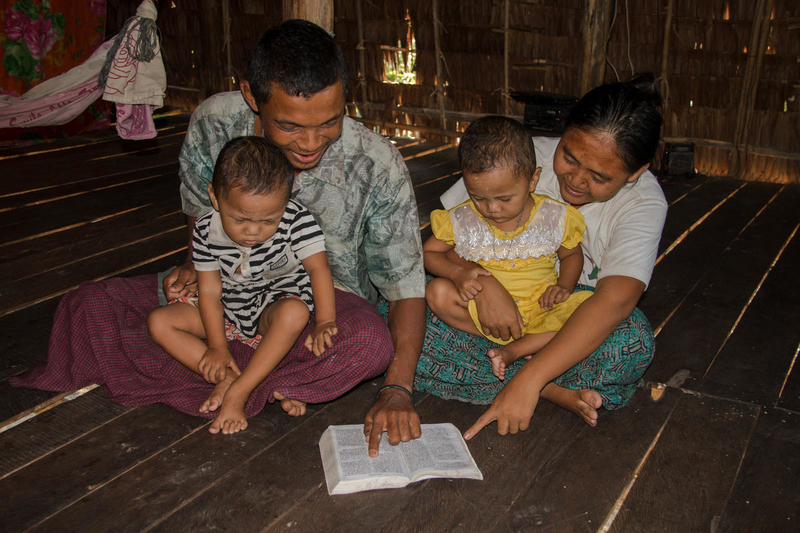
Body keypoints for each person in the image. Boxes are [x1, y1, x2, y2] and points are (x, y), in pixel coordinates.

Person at [11, 20, 426, 434]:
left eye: (328, 123)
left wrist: (397, 390)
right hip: (224, 293)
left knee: (369, 344)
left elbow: (405, 289)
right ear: (251, 96)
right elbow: (199, 217)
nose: (311, 142)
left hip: (315, 313)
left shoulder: (377, 164)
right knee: (87, 307)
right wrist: (193, 263)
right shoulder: (214, 122)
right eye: (290, 125)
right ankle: (253, 377)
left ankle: (234, 380)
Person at [383, 73, 666, 445]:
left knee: (633, 341)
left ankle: (528, 379)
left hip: (563, 309)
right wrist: (483, 285)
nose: (576, 180)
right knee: (409, 307)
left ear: (635, 173)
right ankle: (552, 388)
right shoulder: (518, 155)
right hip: (485, 294)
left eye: (599, 176)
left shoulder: (643, 205)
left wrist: (528, 379)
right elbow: (454, 235)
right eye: (569, 157)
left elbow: (614, 303)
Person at [148, 136, 338, 434]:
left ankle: (240, 390)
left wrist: (326, 320)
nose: (253, 231)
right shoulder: (205, 229)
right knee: (159, 322)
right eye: (239, 219)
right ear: (214, 197)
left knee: (295, 314)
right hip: (228, 309)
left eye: (268, 220)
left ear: (286, 201)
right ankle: (225, 375)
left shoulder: (297, 220)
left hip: (271, 307)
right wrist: (216, 346)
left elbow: (318, 268)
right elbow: (210, 291)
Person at [423, 116, 593, 381]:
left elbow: (571, 254)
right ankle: (511, 340)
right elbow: (430, 253)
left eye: (505, 198)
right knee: (436, 292)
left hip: (541, 306)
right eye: (478, 197)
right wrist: (457, 274)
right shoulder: (463, 218)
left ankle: (515, 349)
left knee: (587, 314)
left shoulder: (554, 216)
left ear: (533, 179)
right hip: (484, 311)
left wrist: (564, 286)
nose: (492, 209)